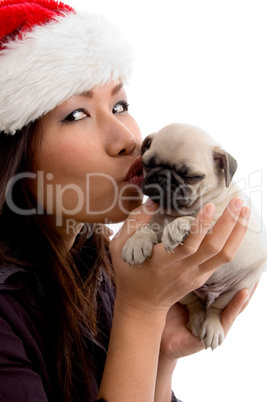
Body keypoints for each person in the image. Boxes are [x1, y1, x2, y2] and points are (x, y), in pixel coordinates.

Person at [0, 1, 256, 401]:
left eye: (119, 105)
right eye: (76, 115)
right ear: (13, 155)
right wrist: (141, 314)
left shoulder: (98, 266)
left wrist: (161, 351)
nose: (129, 140)